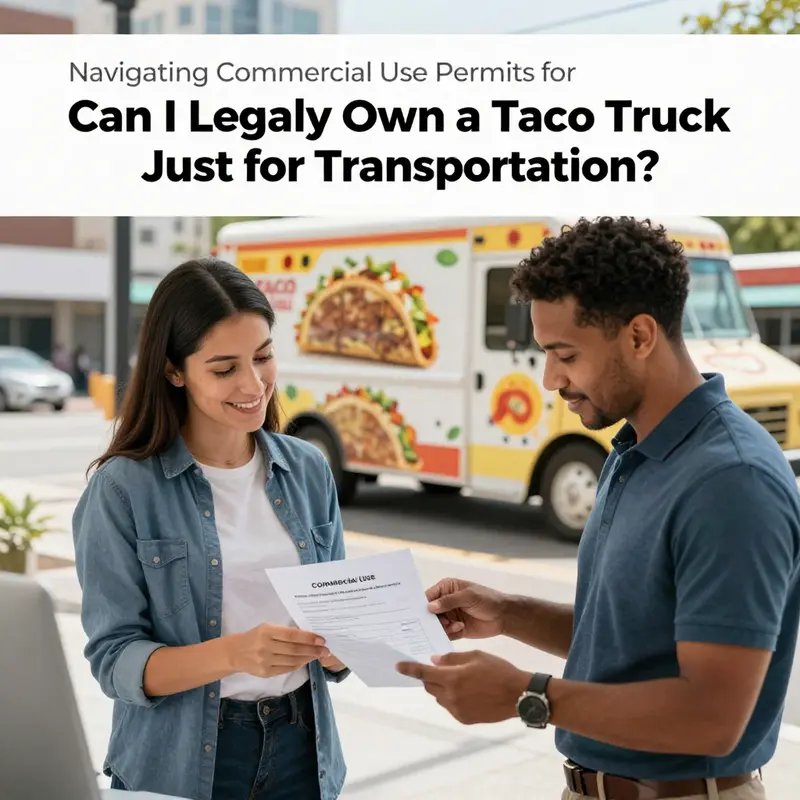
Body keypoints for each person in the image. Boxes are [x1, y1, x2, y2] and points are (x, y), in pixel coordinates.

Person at [397, 217, 800, 800]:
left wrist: (526, 694)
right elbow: (630, 640)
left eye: (564, 354)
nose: (549, 379)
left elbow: (712, 718)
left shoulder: (730, 480)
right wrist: (508, 612)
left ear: (639, 336)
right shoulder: (636, 444)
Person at [72, 257, 349, 800]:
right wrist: (235, 654)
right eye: (225, 369)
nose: (253, 384)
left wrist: (345, 646)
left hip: (303, 749)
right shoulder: (123, 489)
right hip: (182, 761)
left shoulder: (308, 470)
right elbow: (115, 661)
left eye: (263, 357)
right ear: (175, 370)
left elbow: (336, 616)